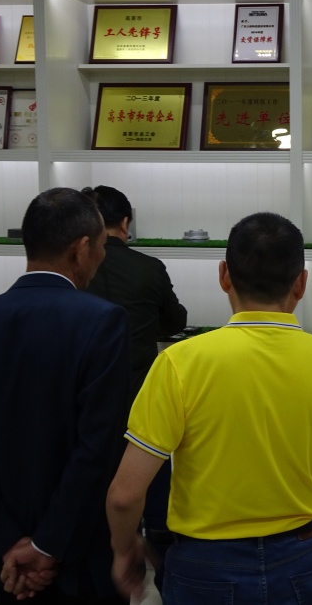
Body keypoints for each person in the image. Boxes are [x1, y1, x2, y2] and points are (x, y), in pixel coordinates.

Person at [106, 211, 312, 605]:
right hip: (300, 558)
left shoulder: (180, 362)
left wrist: (123, 549)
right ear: (301, 283)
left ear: (224, 276)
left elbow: (125, 495)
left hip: (204, 564)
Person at [0, 188, 131, 605]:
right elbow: (98, 450)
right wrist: (46, 546)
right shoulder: (102, 323)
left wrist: (6, 543)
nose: (102, 257)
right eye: (101, 247)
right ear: (81, 249)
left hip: (9, 567)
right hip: (80, 561)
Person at [82, 185, 187, 586]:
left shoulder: (74, 271)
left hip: (87, 404)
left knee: (95, 498)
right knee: (157, 501)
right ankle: (166, 578)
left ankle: (110, 572)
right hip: (143, 400)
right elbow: (174, 321)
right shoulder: (149, 267)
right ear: (125, 222)